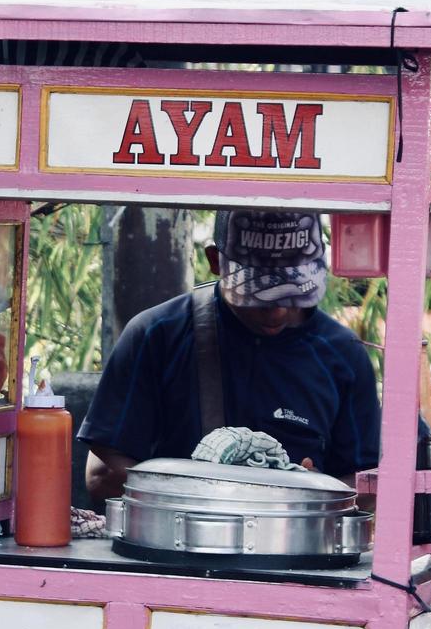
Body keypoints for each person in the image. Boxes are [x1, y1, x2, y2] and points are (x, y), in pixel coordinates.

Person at [79, 209, 381, 499]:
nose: (277, 311)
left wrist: (314, 494)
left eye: (292, 292)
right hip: (176, 543)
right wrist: (206, 495)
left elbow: (369, 482)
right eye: (257, 296)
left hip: (299, 543)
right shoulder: (156, 335)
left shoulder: (343, 356)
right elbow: (101, 475)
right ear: (215, 260)